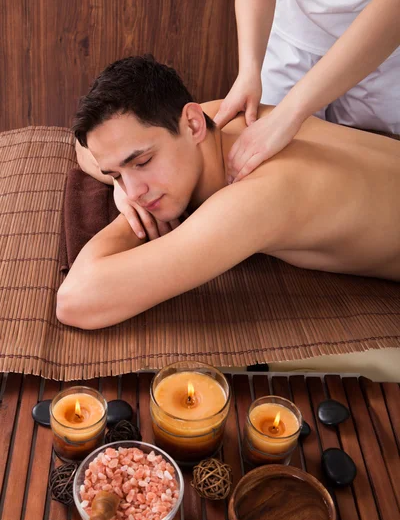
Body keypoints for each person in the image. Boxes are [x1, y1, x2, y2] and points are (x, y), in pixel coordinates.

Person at [57, 55, 400, 330]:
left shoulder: (256, 198)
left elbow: (76, 301)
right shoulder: (216, 118)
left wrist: (127, 219)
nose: (135, 191)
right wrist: (122, 186)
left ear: (192, 124)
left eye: (143, 162)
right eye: (117, 174)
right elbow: (85, 144)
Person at [214, 0, 400, 184]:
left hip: (384, 51)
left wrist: (289, 113)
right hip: (295, 32)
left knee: (373, 173)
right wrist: (248, 71)